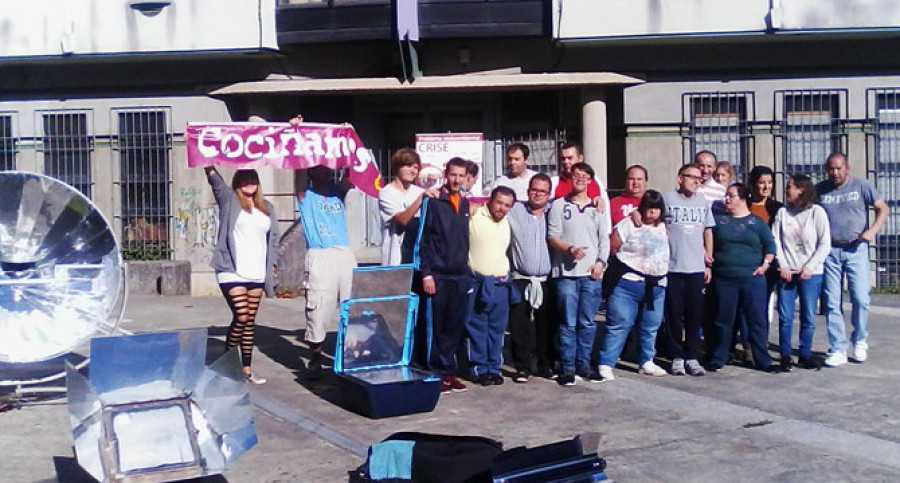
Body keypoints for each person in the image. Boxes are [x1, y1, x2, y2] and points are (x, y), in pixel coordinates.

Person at [205, 165, 279, 384]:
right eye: (245, 179)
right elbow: (215, 181)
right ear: (237, 181)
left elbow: (273, 239)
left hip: (257, 272)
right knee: (242, 316)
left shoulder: (267, 208)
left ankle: (246, 369)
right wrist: (206, 161)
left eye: (253, 178)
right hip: (232, 269)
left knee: (249, 323)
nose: (250, 183)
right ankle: (227, 363)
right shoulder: (229, 201)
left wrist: (272, 266)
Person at [817, 153, 889, 367]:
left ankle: (859, 340)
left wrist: (872, 232)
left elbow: (883, 208)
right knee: (832, 301)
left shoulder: (861, 185)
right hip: (831, 251)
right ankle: (838, 346)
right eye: (831, 169)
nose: (835, 173)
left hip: (856, 248)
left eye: (839, 168)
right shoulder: (820, 189)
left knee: (860, 297)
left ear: (846, 168)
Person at [706, 183, 780, 373]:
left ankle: (762, 359)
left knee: (757, 320)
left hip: (752, 279)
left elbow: (770, 246)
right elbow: (705, 240)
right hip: (724, 278)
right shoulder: (719, 221)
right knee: (723, 320)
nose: (727, 199)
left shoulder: (756, 222)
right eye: (726, 196)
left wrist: (765, 266)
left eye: (731, 196)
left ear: (743, 198)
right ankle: (719, 357)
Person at [548, 162, 609, 386]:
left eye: (585, 176)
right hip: (566, 274)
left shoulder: (597, 207)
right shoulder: (558, 205)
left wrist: (601, 262)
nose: (580, 179)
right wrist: (569, 249)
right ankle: (567, 367)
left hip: (591, 274)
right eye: (576, 175)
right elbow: (552, 236)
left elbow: (604, 239)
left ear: (590, 181)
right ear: (570, 178)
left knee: (587, 323)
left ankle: (584, 364)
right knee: (567, 323)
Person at [415, 157, 472, 393]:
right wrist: (426, 273)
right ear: (445, 175)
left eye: (461, 175)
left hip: (459, 276)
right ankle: (433, 373)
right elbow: (423, 240)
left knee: (453, 327)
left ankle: (449, 371)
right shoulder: (433, 201)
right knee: (434, 327)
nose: (456, 179)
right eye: (453, 174)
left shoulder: (465, 204)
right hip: (437, 275)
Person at [599, 190, 669, 381]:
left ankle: (646, 360)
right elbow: (612, 246)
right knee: (619, 324)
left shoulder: (665, 226)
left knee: (650, 326)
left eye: (656, 209)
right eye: (648, 209)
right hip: (627, 282)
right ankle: (606, 363)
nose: (652, 213)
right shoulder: (629, 223)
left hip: (656, 284)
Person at [773, 174, 831, 371]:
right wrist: (783, 265)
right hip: (788, 271)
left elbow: (824, 243)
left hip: (810, 273)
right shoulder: (782, 213)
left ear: (801, 190)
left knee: (808, 315)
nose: (785, 190)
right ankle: (785, 355)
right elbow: (776, 241)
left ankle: (805, 353)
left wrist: (810, 267)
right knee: (785, 316)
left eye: (789, 186)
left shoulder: (817, 213)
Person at [661, 164, 715, 376]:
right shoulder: (667, 199)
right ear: (679, 178)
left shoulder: (702, 202)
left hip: (696, 268)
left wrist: (708, 262)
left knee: (695, 316)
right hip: (673, 267)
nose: (695, 181)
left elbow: (707, 231)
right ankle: (676, 356)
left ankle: (692, 356)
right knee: (674, 316)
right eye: (691, 177)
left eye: (699, 178)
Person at [507, 173, 556, 382]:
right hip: (520, 277)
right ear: (528, 191)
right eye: (534, 189)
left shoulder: (555, 212)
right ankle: (522, 367)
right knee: (520, 325)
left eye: (543, 191)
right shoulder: (515, 209)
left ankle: (545, 364)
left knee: (547, 325)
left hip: (547, 279)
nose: (538, 194)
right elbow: (491, 205)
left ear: (549, 194)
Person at [465, 186, 516, 386]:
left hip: (501, 284)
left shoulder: (506, 222)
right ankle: (478, 368)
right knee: (476, 326)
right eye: (499, 203)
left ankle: (493, 368)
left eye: (506, 205)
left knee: (497, 329)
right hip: (478, 282)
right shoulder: (474, 215)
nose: (501, 208)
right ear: (490, 201)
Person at [378, 148, 426, 265]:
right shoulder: (386, 193)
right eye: (409, 166)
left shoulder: (419, 191)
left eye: (416, 167)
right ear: (397, 167)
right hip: (396, 258)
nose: (413, 171)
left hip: (417, 256)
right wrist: (420, 199)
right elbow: (402, 220)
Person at [551, 142, 611, 228]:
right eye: (563, 158)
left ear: (580, 158)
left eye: (570, 158)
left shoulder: (594, 181)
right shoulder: (554, 182)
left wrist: (607, 233)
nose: (565, 162)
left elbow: (605, 209)